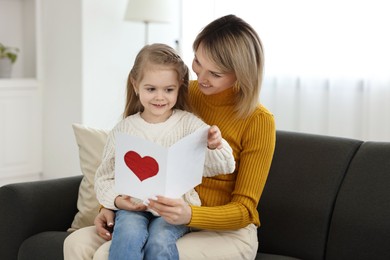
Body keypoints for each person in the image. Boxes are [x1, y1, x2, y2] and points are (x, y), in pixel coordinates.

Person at [64, 14, 276, 260]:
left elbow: (245, 210)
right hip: (158, 211)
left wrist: (190, 215)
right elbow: (141, 144)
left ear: (241, 74)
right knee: (77, 243)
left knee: (110, 254)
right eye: (197, 61)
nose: (201, 78)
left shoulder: (259, 120)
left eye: (215, 74)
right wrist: (111, 205)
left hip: (219, 227)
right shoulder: (180, 91)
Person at [94, 43, 236, 260]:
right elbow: (104, 177)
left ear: (179, 88)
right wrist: (116, 201)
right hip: (133, 207)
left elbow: (223, 165)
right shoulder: (123, 129)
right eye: (151, 89)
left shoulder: (189, 124)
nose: (160, 97)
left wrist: (214, 144)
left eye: (169, 90)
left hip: (174, 208)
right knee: (128, 235)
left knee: (160, 240)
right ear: (135, 85)